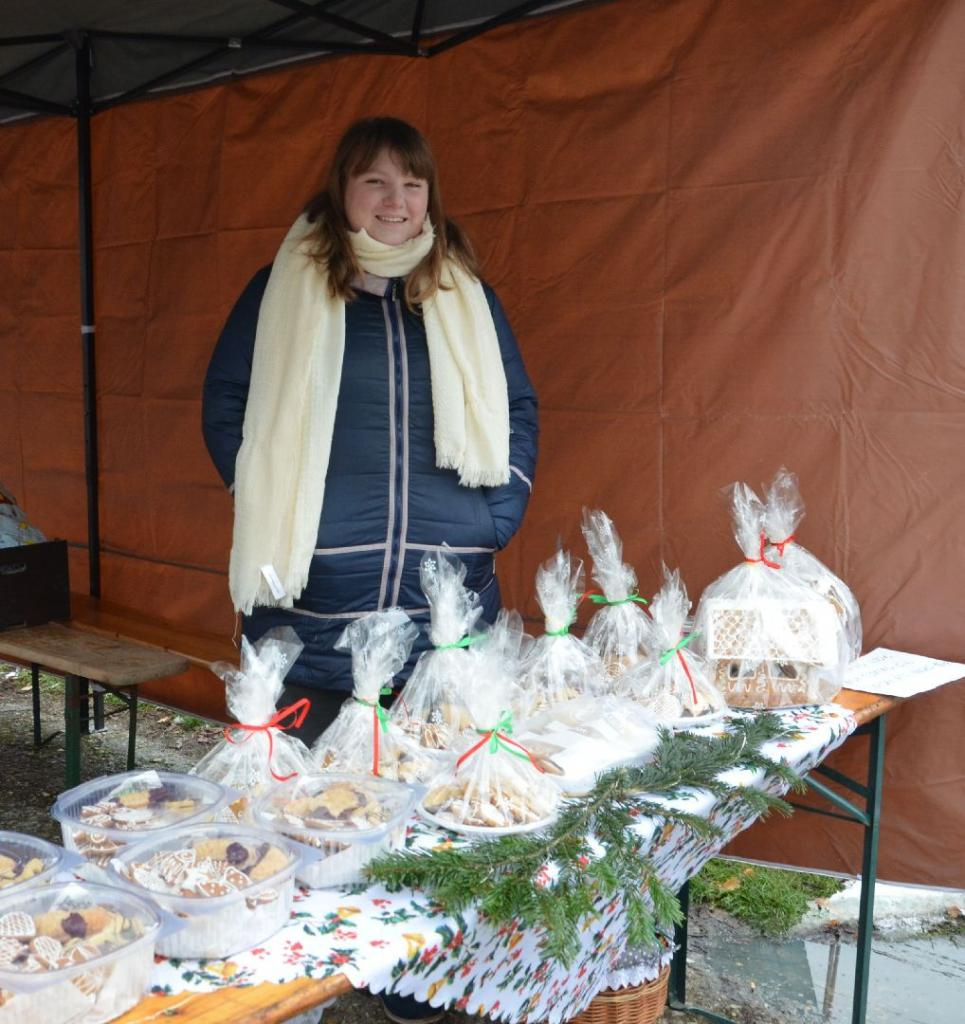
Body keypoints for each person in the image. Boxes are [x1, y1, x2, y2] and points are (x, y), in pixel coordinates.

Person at [202, 122, 537, 1019]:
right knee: (307, 809)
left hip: (444, 596)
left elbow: (517, 406)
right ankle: (297, 983)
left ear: (431, 197)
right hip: (316, 599)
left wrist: (497, 513)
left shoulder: (462, 293)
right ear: (341, 191)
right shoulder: (284, 287)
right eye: (375, 183)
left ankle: (414, 985)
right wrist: (268, 507)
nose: (396, 202)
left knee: (435, 800)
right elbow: (228, 402)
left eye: (412, 185)